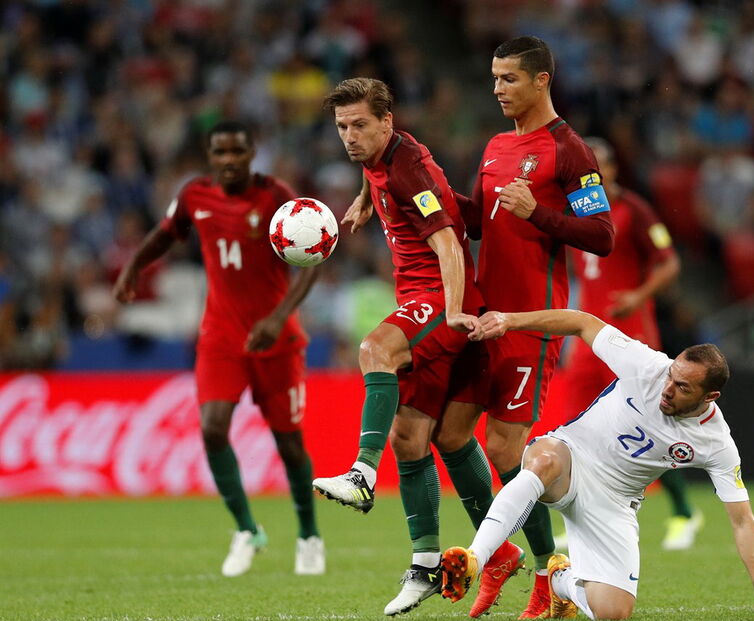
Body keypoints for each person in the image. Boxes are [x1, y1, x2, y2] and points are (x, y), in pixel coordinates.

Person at [310, 77, 521, 617]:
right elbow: (371, 174)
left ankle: (360, 473)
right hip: (426, 299)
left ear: (387, 121)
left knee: (374, 349)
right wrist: (361, 204)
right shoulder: (377, 157)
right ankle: (432, 564)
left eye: (359, 125)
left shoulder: (408, 169)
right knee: (419, 438)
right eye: (341, 127)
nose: (349, 137)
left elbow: (449, 240)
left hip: (441, 300)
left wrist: (454, 309)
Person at [441, 309, 754, 621]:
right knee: (543, 459)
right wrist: (510, 320)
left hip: (614, 502)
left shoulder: (716, 442)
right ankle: (476, 557)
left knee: (613, 612)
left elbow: (742, 521)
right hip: (571, 458)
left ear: (710, 397)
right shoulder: (647, 366)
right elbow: (581, 322)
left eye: (683, 387)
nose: (668, 389)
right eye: (671, 376)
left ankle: (560, 581)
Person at [448, 35, 615, 618]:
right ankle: (516, 561)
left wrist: (538, 214)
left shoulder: (569, 151)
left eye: (509, 79)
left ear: (542, 80)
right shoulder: (495, 145)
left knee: (504, 445)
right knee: (451, 433)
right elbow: (474, 221)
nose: (497, 89)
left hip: (530, 320)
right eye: (494, 78)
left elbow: (603, 237)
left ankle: (550, 576)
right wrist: (425, 197)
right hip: (482, 317)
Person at [113, 120, 324, 577]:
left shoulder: (275, 197)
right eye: (220, 153)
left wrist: (277, 316)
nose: (228, 161)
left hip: (277, 336)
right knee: (211, 428)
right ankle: (247, 529)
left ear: (252, 154)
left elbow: (314, 259)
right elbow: (165, 233)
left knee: (289, 445)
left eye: (237, 153)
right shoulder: (195, 196)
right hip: (220, 337)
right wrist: (133, 266)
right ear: (211, 157)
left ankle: (308, 534)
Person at [565, 137, 701, 551]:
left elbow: (670, 263)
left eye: (598, 166)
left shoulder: (634, 210)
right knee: (580, 431)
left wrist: (638, 297)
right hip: (588, 338)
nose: (593, 175)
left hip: (631, 337)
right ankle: (586, 520)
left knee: (646, 427)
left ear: (612, 168)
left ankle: (683, 512)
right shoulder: (574, 214)